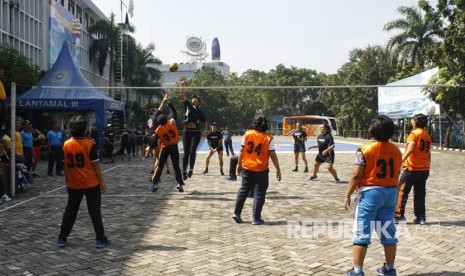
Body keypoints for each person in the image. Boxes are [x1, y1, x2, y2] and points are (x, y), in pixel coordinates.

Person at [344, 115, 402, 276]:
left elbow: (356, 175)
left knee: (362, 233)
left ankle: (357, 270)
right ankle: (389, 269)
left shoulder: (365, 149)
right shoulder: (397, 150)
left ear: (372, 131)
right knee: (388, 231)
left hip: (370, 193)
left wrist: (348, 194)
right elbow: (397, 172)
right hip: (390, 192)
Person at [57, 115, 110, 249]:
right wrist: (102, 181)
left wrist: (67, 181)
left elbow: (65, 166)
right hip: (91, 183)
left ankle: (62, 238)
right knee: (94, 211)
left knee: (70, 211)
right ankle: (100, 239)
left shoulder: (66, 144)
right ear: (85, 129)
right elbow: (96, 165)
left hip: (74, 183)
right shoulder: (90, 144)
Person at [232, 115, 281, 225]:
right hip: (261, 169)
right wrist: (278, 169)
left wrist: (239, 165)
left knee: (243, 190)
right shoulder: (268, 138)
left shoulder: (247, 134)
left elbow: (241, 151)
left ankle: (236, 213)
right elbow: (272, 155)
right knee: (259, 193)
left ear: (255, 123)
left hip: (247, 167)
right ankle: (256, 218)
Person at [394, 114, 431, 225]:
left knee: (402, 191)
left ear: (415, 122)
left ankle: (398, 216)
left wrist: (400, 161)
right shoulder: (427, 135)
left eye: (412, 120)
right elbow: (428, 153)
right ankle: (421, 217)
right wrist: (428, 166)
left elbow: (410, 149)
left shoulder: (413, 134)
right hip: (424, 169)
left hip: (412, 168)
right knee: (420, 193)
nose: (411, 122)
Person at [150, 90, 184, 193]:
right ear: (166, 119)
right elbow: (174, 112)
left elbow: (153, 140)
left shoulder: (158, 129)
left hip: (165, 148)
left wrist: (150, 147)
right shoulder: (171, 123)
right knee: (176, 166)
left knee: (160, 166)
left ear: (159, 122)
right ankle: (179, 183)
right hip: (174, 147)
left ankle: (155, 184)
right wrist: (168, 102)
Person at [180, 76, 207, 180]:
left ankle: (191, 169)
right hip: (187, 131)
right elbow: (182, 96)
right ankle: (184, 171)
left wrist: (205, 130)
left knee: (192, 151)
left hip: (195, 131)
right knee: (186, 152)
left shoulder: (199, 110)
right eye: (193, 98)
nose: (193, 98)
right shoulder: (187, 106)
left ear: (198, 101)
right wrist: (182, 85)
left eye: (195, 98)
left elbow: (205, 120)